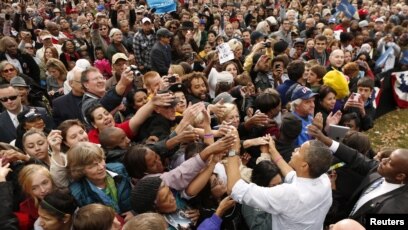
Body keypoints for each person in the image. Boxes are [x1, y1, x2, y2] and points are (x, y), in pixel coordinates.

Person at [226, 133, 333, 230]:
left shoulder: (287, 194)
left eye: (299, 150)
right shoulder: (324, 180)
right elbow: (291, 174)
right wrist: (272, 150)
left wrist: (233, 150)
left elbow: (234, 188)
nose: (295, 149)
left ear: (304, 165)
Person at [308, 125, 408, 224]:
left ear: (400, 176)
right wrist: (325, 140)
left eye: (390, 162)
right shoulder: (379, 171)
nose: (383, 160)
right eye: (388, 157)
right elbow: (355, 157)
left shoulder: (396, 209)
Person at [67, 142, 134, 220]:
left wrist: (134, 212)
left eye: (101, 160)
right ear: (80, 170)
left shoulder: (120, 169)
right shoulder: (77, 192)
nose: (101, 167)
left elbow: (138, 194)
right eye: (92, 165)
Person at [18, 164, 55, 228]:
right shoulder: (27, 208)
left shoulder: (67, 196)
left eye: (45, 183)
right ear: (28, 190)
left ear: (51, 180)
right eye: (34, 188)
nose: (42, 190)